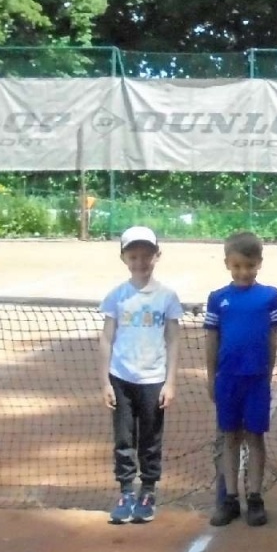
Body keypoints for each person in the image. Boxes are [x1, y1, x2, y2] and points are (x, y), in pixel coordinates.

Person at [99, 225, 183, 525]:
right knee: (124, 439)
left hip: (153, 380)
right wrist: (105, 382)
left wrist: (170, 381)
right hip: (121, 379)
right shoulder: (116, 297)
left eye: (146, 255)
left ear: (156, 256)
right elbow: (107, 339)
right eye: (133, 256)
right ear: (124, 258)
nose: (140, 261)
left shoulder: (167, 297)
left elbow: (173, 339)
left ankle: (147, 492)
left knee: (150, 439)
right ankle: (125, 492)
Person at [204, 231, 277, 528]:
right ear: (227, 263)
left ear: (259, 264)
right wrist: (211, 376)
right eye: (237, 266)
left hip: (256, 380)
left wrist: (268, 372)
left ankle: (254, 498)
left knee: (255, 437)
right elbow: (211, 340)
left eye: (249, 266)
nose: (243, 272)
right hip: (228, 379)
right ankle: (229, 498)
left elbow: (273, 339)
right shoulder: (217, 299)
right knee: (230, 437)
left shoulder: (270, 296)